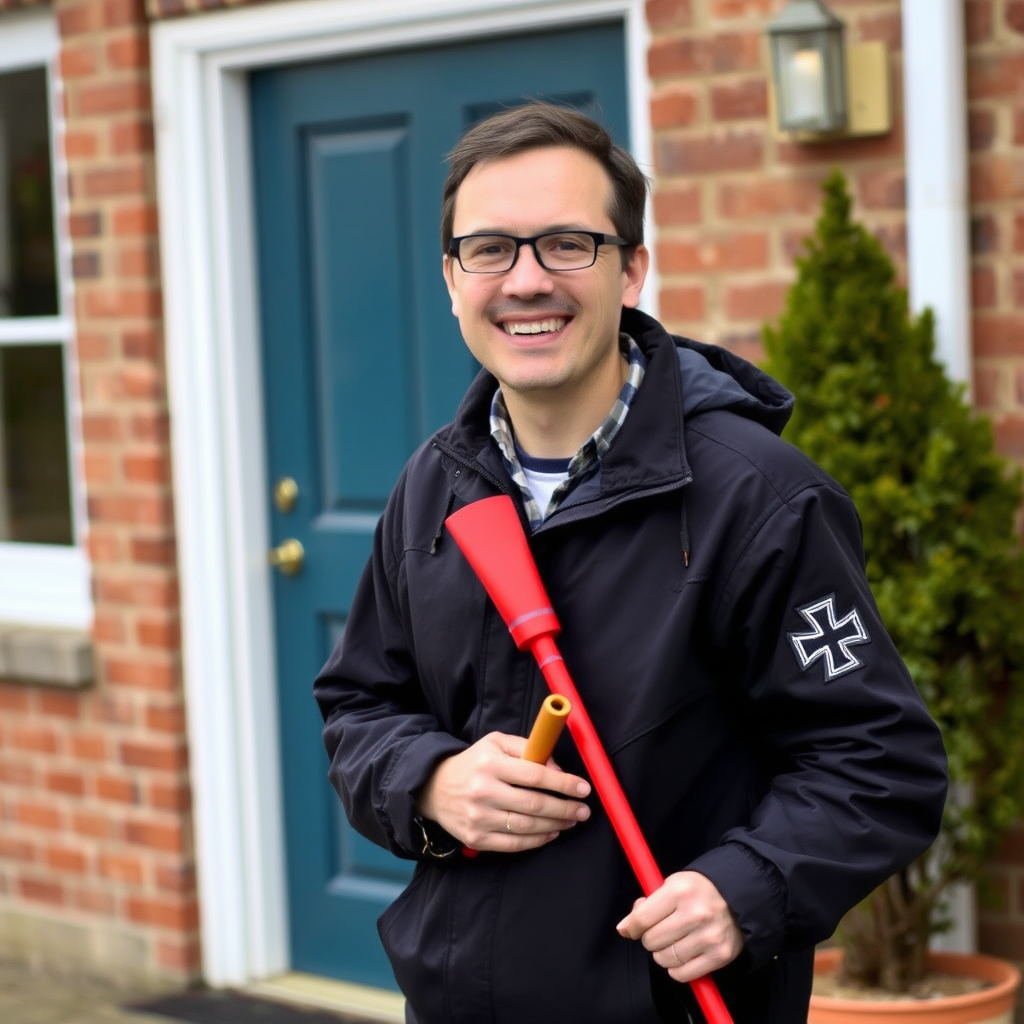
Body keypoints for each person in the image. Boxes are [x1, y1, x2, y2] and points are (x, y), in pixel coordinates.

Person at [313, 102, 948, 1024]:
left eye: (568, 243)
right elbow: (360, 707)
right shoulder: (431, 487)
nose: (526, 280)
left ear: (633, 270)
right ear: (452, 281)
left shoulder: (758, 497)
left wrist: (748, 887)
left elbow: (878, 763)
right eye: (488, 249)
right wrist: (431, 781)